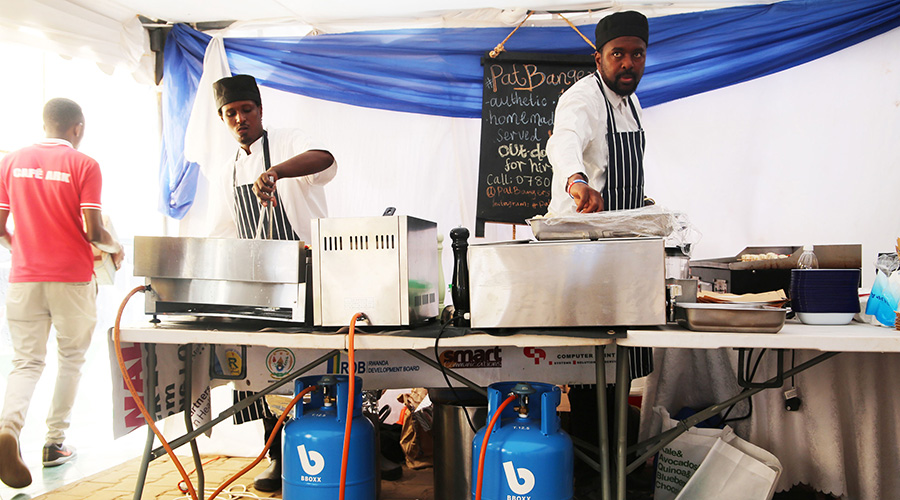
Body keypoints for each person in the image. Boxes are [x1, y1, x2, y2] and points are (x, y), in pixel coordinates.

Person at [545, 10, 654, 492]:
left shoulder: (631, 104)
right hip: (584, 252)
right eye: (618, 54)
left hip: (620, 252)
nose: (627, 63)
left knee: (621, 368)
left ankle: (616, 471)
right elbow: (563, 142)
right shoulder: (582, 98)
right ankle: (597, 478)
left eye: (636, 54)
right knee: (593, 373)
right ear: (599, 57)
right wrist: (576, 180)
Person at [212, 74, 337, 492]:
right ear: (223, 119)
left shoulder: (286, 141)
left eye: (247, 109)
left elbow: (324, 158)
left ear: (260, 111)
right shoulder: (226, 169)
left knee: (323, 362)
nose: (240, 118)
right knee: (260, 372)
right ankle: (277, 455)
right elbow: (223, 232)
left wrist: (276, 172)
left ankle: (342, 442)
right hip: (260, 282)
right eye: (231, 113)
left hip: (308, 271)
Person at [0, 98, 124, 489]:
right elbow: (92, 230)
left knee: (26, 362)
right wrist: (114, 247)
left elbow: (0, 227)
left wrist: (19, 245)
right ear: (78, 127)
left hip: (24, 278)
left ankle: (8, 429)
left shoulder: (10, 162)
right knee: (70, 359)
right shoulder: (84, 165)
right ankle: (55, 443)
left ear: (44, 124)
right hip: (71, 277)